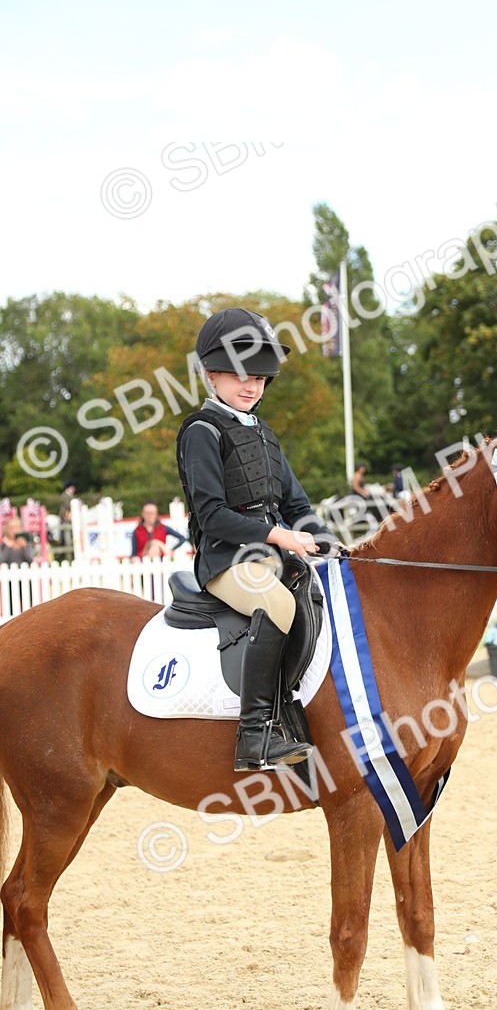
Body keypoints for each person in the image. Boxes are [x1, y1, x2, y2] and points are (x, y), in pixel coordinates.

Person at [176, 307, 336, 772]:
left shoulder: (264, 433)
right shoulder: (202, 432)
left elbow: (298, 505)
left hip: (270, 554)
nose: (251, 386)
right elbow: (212, 515)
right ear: (211, 375)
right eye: (239, 375)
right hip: (226, 561)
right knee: (279, 606)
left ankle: (295, 713)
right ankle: (255, 734)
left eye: (261, 378)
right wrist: (280, 535)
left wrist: (326, 539)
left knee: (318, 595)